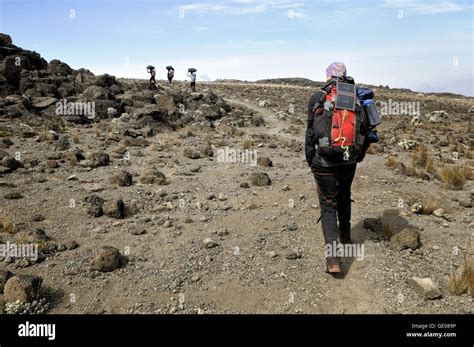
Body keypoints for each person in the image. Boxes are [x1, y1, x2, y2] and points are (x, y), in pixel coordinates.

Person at [305, 62, 373, 274]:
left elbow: (309, 133)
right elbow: (366, 131)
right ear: (346, 75)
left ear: (327, 76)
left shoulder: (317, 97)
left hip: (323, 163)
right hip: (348, 160)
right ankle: (345, 235)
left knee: (328, 206)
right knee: (344, 195)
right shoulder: (357, 98)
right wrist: (357, 156)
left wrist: (311, 159)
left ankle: (333, 259)